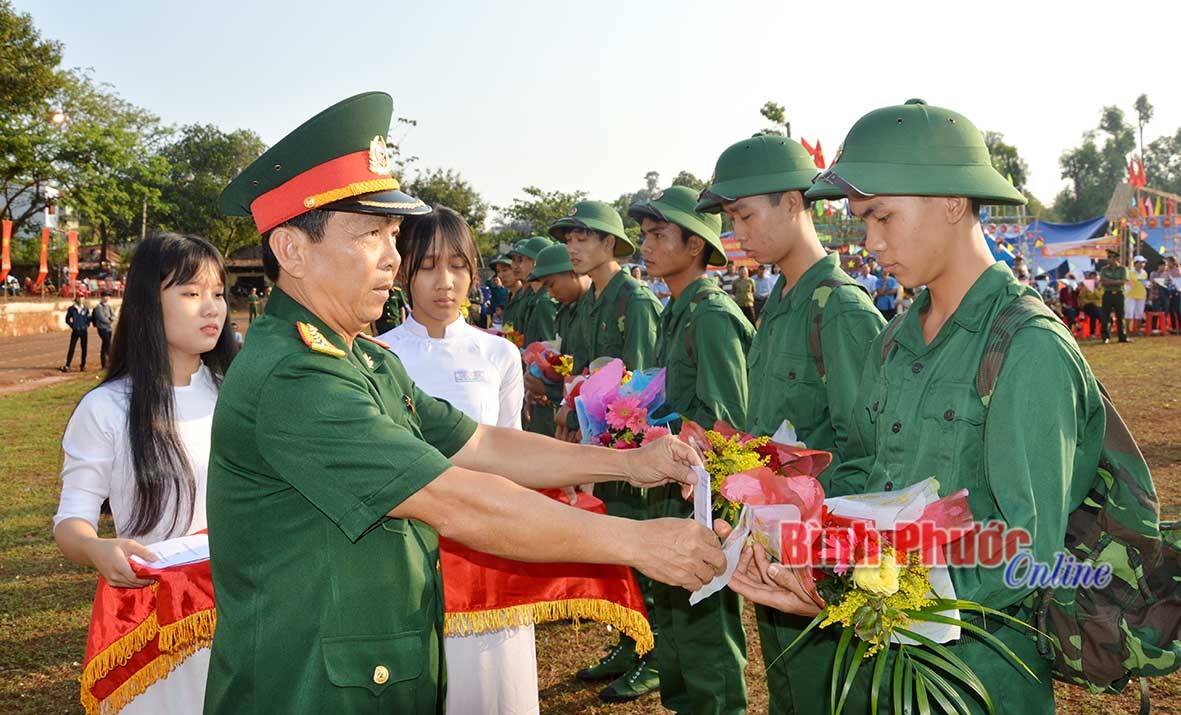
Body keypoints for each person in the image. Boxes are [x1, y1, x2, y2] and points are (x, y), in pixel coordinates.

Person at [204, 92, 723, 715]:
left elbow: (482, 443)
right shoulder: (295, 378)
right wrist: (638, 543)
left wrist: (628, 465)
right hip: (307, 686)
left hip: (370, 671)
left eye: (393, 234)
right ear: (291, 250)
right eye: (371, 234)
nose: (393, 257)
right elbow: (457, 497)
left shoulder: (364, 359)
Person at [727, 98, 1105, 713]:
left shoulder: (1027, 346)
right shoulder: (896, 340)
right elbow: (867, 470)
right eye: (861, 220)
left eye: (882, 217)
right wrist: (789, 526)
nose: (868, 241)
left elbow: (1024, 550)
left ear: (952, 203)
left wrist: (853, 591)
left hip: (971, 679)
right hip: (874, 667)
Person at [697, 133, 885, 714]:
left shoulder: (841, 310)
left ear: (794, 202)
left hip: (822, 563)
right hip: (775, 549)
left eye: (745, 215)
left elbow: (869, 453)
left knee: (829, 697)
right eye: (730, 220)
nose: (736, 234)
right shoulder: (779, 304)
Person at [54, 233, 236, 714]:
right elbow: (72, 521)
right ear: (148, 303)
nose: (211, 308)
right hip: (157, 623)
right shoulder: (107, 408)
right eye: (191, 293)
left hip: (245, 606)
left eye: (218, 293)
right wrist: (96, 548)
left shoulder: (238, 394)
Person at [376, 206, 532, 715]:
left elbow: (513, 450)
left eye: (458, 266)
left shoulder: (500, 355)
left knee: (493, 689)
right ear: (403, 273)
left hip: (491, 548)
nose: (445, 282)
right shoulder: (377, 357)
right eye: (427, 267)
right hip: (407, 553)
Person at [632, 186, 753, 714]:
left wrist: (668, 429)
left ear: (696, 246)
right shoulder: (675, 310)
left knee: (703, 624)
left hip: (704, 495)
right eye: (644, 236)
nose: (647, 246)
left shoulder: (710, 315)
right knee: (676, 620)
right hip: (672, 485)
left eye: (659, 235)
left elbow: (729, 421)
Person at [548, 199, 664, 699]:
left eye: (583, 238)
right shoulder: (593, 301)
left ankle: (652, 654)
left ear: (610, 243)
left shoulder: (632, 300)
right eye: (569, 239)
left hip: (635, 449)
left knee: (646, 549)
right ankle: (629, 640)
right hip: (606, 447)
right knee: (620, 547)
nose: (572, 247)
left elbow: (639, 385)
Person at [531, 243, 594, 443]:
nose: (550, 294)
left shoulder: (596, 309)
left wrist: (548, 390)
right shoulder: (570, 310)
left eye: (551, 285)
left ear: (572, 272)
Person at [1100, 249, 1130, 343]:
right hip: (1107, 294)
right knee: (1105, 316)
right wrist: (1116, 281)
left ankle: (1122, 337)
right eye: (1108, 257)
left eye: (1110, 257)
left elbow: (1123, 281)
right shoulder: (1104, 269)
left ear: (1116, 258)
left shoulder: (1122, 269)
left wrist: (1110, 281)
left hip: (1119, 294)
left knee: (1120, 316)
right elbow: (1103, 282)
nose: (1108, 259)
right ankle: (1105, 337)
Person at [62, 294, 91, 372]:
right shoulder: (72, 309)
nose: (81, 299)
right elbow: (67, 319)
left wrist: (86, 325)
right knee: (72, 348)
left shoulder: (85, 309)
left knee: (84, 349)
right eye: (79, 297)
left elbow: (88, 318)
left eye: (82, 297)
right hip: (75, 331)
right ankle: (68, 365)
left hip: (84, 331)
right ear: (76, 298)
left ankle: (83, 365)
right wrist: (73, 326)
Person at [1125, 255, 1148, 335]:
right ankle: (1127, 330)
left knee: (1139, 313)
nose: (1142, 264)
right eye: (1141, 263)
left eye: (1143, 263)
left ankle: (1137, 330)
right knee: (1129, 313)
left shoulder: (1144, 273)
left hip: (1141, 295)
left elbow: (1145, 283)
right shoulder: (1130, 272)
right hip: (1130, 295)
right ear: (1136, 263)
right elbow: (1126, 282)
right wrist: (1134, 283)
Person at [93, 291, 116, 369]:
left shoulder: (109, 306)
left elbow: (113, 315)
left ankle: (105, 364)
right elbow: (101, 317)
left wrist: (110, 319)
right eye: (105, 296)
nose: (107, 297)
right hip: (102, 328)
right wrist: (109, 320)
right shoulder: (98, 307)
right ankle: (108, 363)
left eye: (108, 296)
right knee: (107, 344)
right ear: (102, 297)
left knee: (105, 345)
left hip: (108, 328)